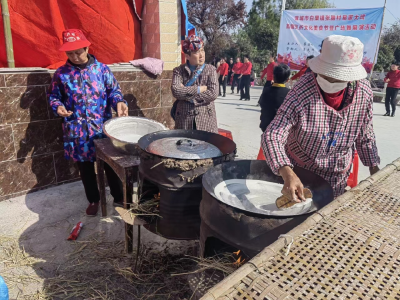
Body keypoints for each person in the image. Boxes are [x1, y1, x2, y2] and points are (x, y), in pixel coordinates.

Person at [262, 35, 380, 201]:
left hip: (337, 173)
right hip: (301, 170)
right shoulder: (302, 90)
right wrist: (286, 171)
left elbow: (365, 134)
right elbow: (273, 134)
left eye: (337, 76)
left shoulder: (363, 92)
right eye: (326, 74)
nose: (330, 80)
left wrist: (374, 167)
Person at [48, 29, 128, 216]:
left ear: (86, 47)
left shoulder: (102, 70)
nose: (74, 56)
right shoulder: (62, 74)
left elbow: (114, 91)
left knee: (110, 165)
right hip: (77, 131)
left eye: (78, 52)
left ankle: (118, 198)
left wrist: (120, 102)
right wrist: (58, 106)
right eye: (70, 53)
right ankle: (93, 200)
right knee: (85, 169)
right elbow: (53, 96)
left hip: (102, 129)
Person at [171, 35, 218, 133]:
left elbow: (213, 93)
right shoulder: (179, 71)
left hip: (205, 120)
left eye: (202, 50)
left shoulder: (211, 70)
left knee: (206, 146)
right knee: (184, 146)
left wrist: (189, 98)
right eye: (196, 52)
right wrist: (199, 89)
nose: (201, 55)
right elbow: (176, 91)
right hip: (184, 120)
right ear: (187, 56)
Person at [259, 64, 291, 132]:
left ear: (273, 77)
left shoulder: (266, 90)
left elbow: (261, 104)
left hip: (266, 125)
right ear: (287, 79)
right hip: (281, 127)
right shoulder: (289, 93)